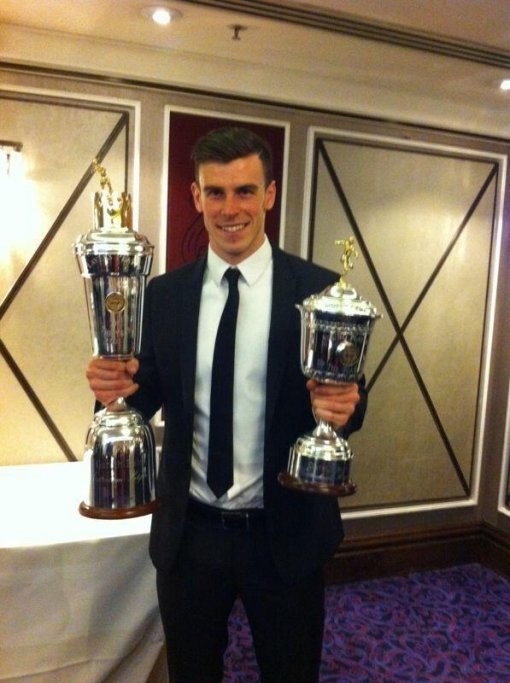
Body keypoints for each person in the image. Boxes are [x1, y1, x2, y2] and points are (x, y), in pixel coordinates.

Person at [86, 126, 367, 683]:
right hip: (190, 535)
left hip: (284, 535)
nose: (230, 208)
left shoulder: (318, 291)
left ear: (269, 195)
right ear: (196, 197)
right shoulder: (163, 296)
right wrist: (110, 389)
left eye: (244, 191)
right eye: (215, 192)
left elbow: (349, 404)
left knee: (291, 674)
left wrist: (345, 408)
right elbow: (142, 397)